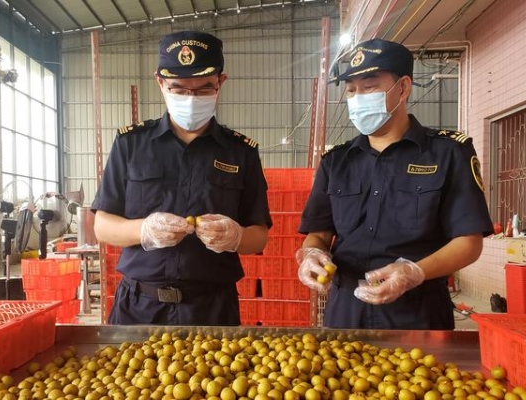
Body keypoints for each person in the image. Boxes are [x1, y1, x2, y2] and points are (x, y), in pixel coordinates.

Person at [296, 38, 493, 330]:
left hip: (418, 312)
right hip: (346, 311)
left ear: (402, 87)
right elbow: (319, 235)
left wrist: (414, 271)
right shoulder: (336, 161)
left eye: (370, 86)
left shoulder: (448, 152)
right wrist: (311, 254)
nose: (357, 96)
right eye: (351, 89)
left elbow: (469, 243)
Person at [91, 30, 272, 326]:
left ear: (220, 83)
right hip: (139, 306)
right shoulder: (130, 144)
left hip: (212, 307)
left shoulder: (241, 152)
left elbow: (259, 236)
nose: (191, 99)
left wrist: (235, 236)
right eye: (178, 89)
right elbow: (103, 227)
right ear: (160, 83)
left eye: (203, 89)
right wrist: (145, 229)